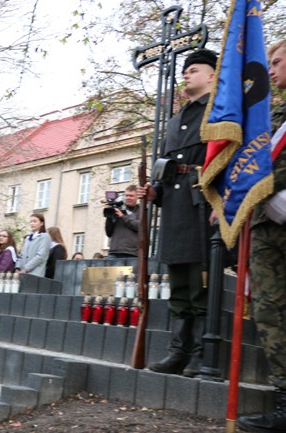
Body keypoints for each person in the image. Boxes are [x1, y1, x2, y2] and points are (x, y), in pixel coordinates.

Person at [137, 49, 218, 378]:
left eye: (194, 70)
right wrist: (153, 192)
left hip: (203, 203)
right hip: (175, 208)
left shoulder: (219, 112)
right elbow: (168, 168)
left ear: (212, 75)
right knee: (179, 285)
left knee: (201, 284)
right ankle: (178, 351)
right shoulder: (175, 119)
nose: (186, 74)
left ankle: (202, 353)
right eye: (184, 70)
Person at [238, 40, 286, 433]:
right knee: (270, 315)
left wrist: (263, 182)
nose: (270, 69)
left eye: (277, 61)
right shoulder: (271, 115)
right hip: (266, 227)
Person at [105, 185, 140, 258]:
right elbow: (109, 233)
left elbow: (139, 227)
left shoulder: (141, 210)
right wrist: (109, 216)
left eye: (131, 196)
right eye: (126, 195)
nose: (128, 198)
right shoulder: (118, 209)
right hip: (114, 252)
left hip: (131, 253)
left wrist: (123, 217)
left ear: (137, 197)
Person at [16, 213, 51, 277]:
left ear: (41, 223)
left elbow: (40, 256)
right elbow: (21, 254)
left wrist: (26, 269)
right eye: (31, 221)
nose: (32, 223)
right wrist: (17, 267)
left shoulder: (45, 236)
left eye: (34, 221)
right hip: (22, 273)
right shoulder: (28, 237)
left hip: (35, 273)